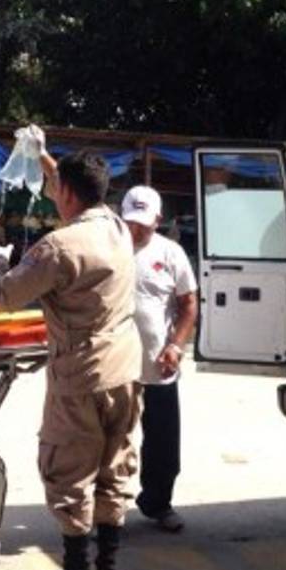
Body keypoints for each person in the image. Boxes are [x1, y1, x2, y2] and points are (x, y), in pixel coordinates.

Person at [0, 138, 142, 570]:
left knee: (69, 471)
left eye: (57, 188)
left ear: (68, 193)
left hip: (81, 374)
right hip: (125, 369)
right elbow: (72, 187)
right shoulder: (116, 228)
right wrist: (43, 153)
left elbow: (5, 297)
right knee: (116, 465)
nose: (53, 193)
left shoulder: (58, 246)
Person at [121, 186, 199, 532]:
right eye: (131, 222)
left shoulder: (171, 253)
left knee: (163, 443)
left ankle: (158, 503)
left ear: (158, 220)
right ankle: (105, 511)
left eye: (145, 224)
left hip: (159, 364)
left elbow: (188, 304)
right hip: (115, 365)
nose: (137, 231)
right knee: (108, 441)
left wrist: (177, 345)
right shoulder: (109, 250)